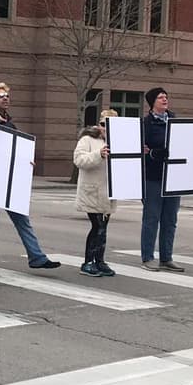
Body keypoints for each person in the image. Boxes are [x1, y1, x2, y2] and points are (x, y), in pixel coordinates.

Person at [0, 82, 60, 277]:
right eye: (0, 95)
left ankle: (37, 257)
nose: (5, 98)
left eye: (7, 95)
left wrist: (25, 163)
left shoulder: (8, 121)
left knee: (22, 219)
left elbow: (13, 150)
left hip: (8, 180)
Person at [140, 87, 185, 272]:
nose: (165, 100)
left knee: (170, 219)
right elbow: (141, 149)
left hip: (174, 177)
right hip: (153, 177)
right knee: (152, 218)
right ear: (152, 102)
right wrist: (152, 154)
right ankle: (148, 257)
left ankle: (166, 257)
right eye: (160, 97)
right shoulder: (146, 124)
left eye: (166, 96)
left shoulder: (176, 122)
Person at [73, 113, 115, 277]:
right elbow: (79, 160)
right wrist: (98, 154)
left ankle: (100, 260)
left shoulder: (119, 141)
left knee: (103, 228)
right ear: (99, 125)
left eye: (110, 125)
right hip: (92, 191)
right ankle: (88, 261)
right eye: (103, 124)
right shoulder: (87, 140)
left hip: (109, 192)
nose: (105, 128)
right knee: (97, 226)